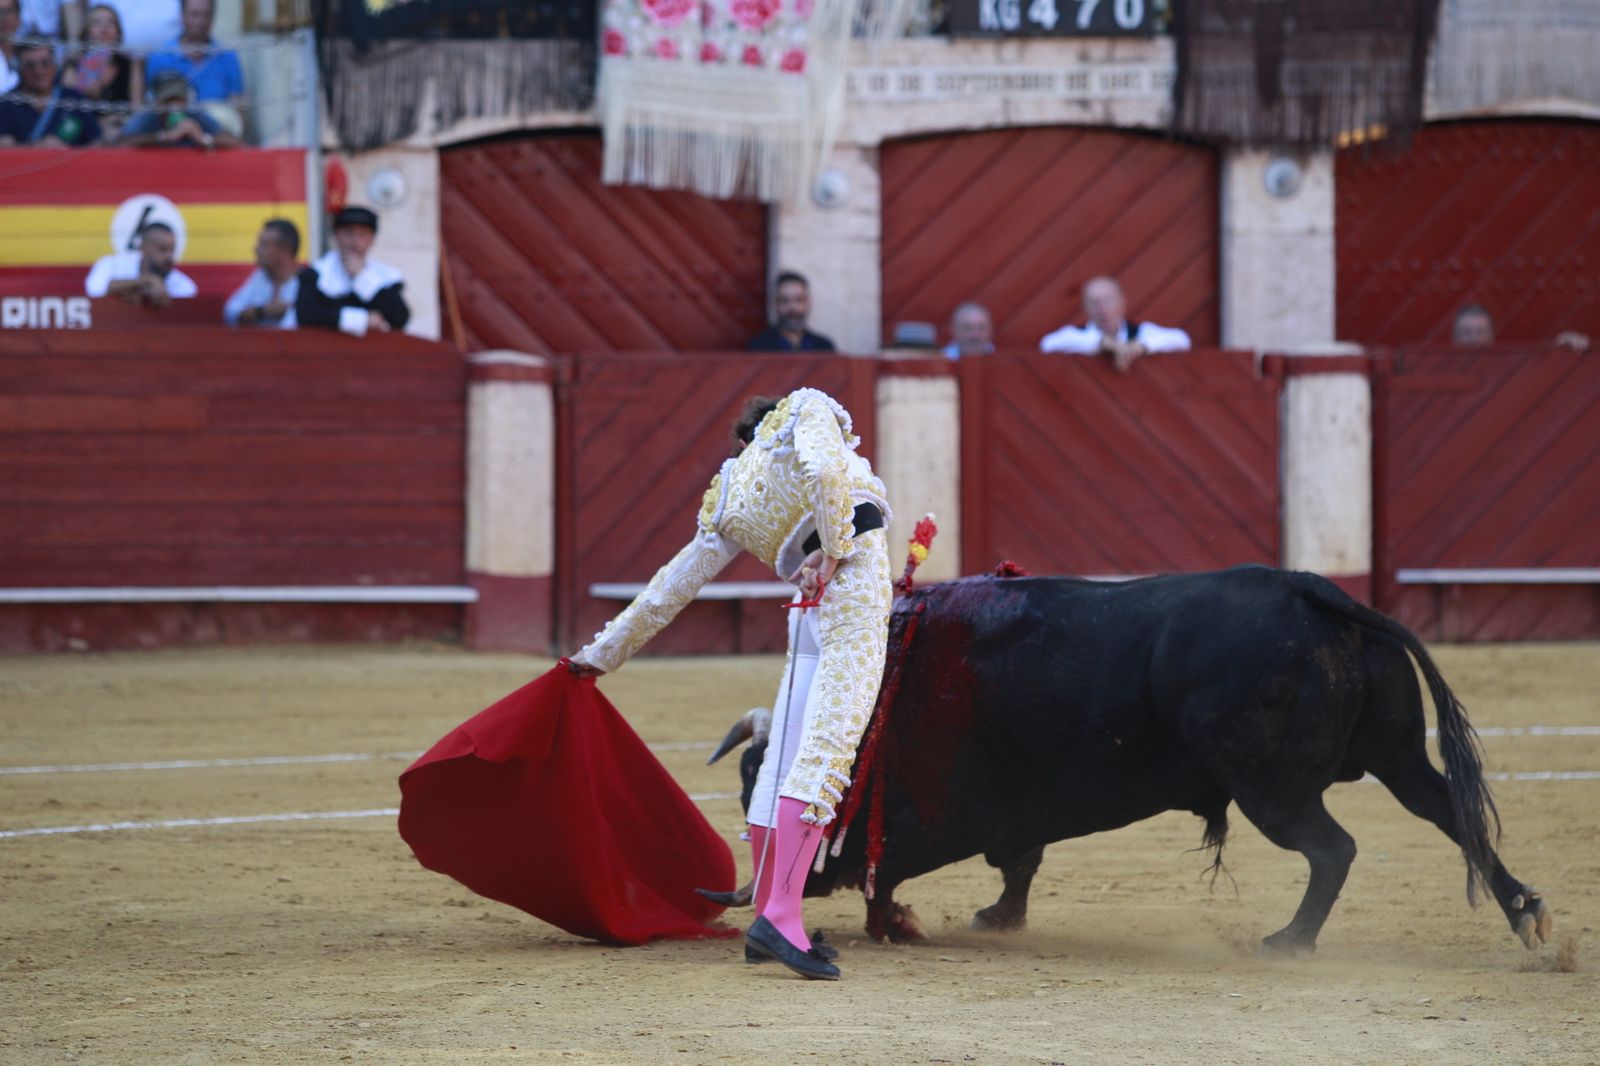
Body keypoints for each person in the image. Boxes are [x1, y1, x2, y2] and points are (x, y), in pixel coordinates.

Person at [567, 389, 894, 980]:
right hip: (852, 586)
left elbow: (672, 586)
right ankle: (782, 921)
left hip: (806, 611)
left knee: (786, 757)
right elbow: (825, 470)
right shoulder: (805, 408)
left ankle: (770, 912)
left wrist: (600, 655)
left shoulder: (729, 494)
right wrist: (834, 552)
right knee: (823, 755)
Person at [295, 205, 410, 336]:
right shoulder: (316, 272)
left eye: (362, 235)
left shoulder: (387, 275)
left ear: (372, 240)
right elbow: (305, 315)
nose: (355, 242)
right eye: (349, 233)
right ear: (337, 235)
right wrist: (362, 320)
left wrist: (362, 276)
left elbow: (400, 318)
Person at [1039, 275, 1192, 372]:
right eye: (1094, 303)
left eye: (1107, 301)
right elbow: (1048, 344)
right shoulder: (1078, 334)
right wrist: (1105, 344)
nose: (1102, 309)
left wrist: (1138, 347)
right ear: (1085, 308)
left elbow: (1181, 339)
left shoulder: (1140, 332)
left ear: (1121, 303)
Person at [142, 0, 242, 136]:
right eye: (195, 15)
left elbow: (238, 111)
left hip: (214, 142)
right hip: (169, 140)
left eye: (207, 15)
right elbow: (149, 106)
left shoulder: (227, 56)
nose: (201, 21)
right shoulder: (161, 55)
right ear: (182, 16)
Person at [63, 3, 142, 138]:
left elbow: (136, 109)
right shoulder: (74, 64)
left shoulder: (129, 64)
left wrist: (121, 120)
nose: (104, 28)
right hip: (82, 129)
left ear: (118, 32)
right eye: (97, 23)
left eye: (110, 23)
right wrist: (85, 93)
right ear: (87, 32)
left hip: (120, 128)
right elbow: (66, 107)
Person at [0, 43, 102, 147]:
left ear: (55, 65)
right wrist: (37, 149)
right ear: (19, 69)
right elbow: (5, 149)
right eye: (30, 65)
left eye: (45, 63)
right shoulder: (7, 103)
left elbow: (96, 144)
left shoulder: (74, 99)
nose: (38, 71)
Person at [114, 67, 240, 147]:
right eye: (167, 100)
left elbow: (235, 142)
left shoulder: (195, 115)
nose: (173, 105)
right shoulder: (148, 118)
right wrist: (163, 137)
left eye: (178, 99)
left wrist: (202, 138)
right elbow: (121, 144)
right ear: (156, 101)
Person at [84, 219, 197, 304]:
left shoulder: (182, 284)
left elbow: (186, 297)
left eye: (172, 250)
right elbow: (95, 289)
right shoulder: (111, 264)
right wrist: (147, 280)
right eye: (162, 249)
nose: (169, 256)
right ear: (143, 247)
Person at [224, 219, 301, 328]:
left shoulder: (307, 283)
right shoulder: (259, 278)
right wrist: (262, 311)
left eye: (263, 245)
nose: (256, 249)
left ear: (285, 250)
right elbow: (230, 312)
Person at [746, 271, 836, 352]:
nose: (793, 307)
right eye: (785, 301)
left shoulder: (824, 347)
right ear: (775, 304)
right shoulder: (759, 348)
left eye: (799, 300)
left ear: (808, 303)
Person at [1452, 303, 1589, 352]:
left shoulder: (1505, 366)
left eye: (1480, 332)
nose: (1474, 339)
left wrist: (1564, 342)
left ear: (1491, 335)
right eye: (1467, 332)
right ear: (1456, 336)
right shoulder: (1443, 369)